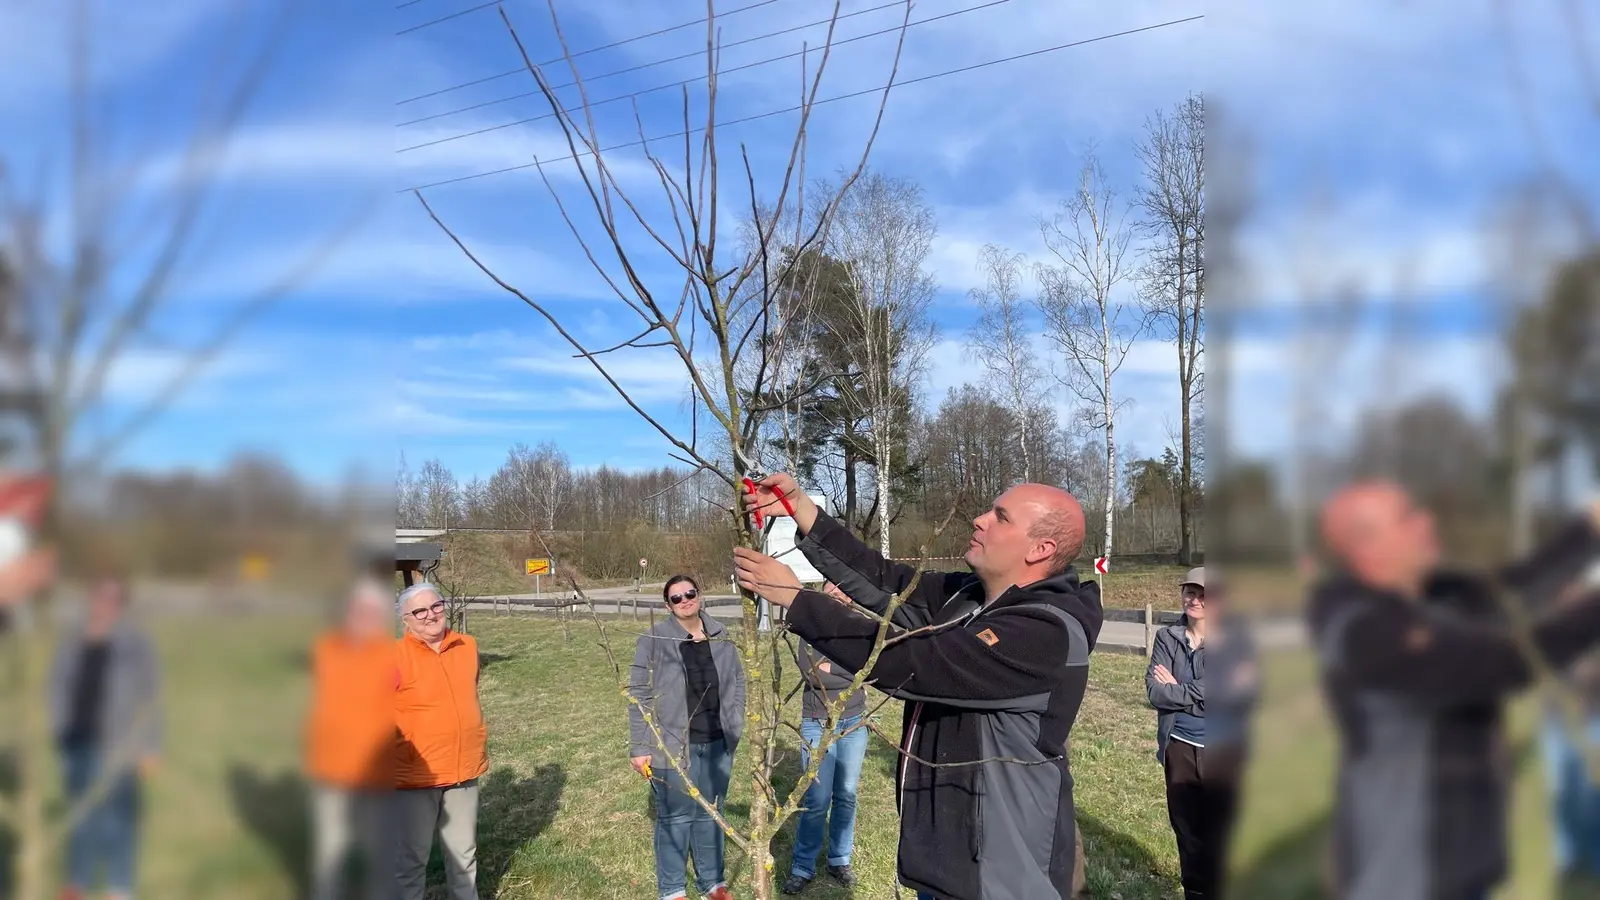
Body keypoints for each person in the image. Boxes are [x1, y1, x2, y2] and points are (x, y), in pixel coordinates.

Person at [734, 472, 1104, 900]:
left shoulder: (1046, 632)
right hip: (952, 856)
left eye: (1000, 517)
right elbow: (884, 580)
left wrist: (797, 600)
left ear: (1041, 550)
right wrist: (803, 511)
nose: (980, 519)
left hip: (1004, 870)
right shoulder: (968, 598)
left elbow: (913, 663)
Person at [1309, 481, 1600, 900]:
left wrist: (1589, 529)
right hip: (1403, 874)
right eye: (1407, 517)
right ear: (1366, 548)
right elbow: (1505, 661)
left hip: (1457, 862)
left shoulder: (1432, 595)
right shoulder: (1365, 631)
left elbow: (1511, 592)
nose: (1427, 521)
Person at [629, 575, 746, 900]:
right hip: (672, 744)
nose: (685, 601)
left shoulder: (721, 635)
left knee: (711, 813)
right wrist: (640, 746)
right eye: (676, 598)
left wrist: (735, 722)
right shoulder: (654, 638)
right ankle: (672, 890)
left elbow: (738, 679)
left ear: (700, 595)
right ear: (668, 605)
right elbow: (638, 692)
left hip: (718, 741)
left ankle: (712, 883)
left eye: (689, 593)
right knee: (675, 818)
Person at [49, 572, 161, 900]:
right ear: (91, 597)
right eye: (102, 595)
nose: (106, 604)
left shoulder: (137, 642)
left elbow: (152, 696)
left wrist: (151, 747)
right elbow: (55, 685)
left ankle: (119, 888)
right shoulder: (71, 639)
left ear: (122, 605)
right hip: (74, 740)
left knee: (119, 819)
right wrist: (58, 727)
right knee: (79, 817)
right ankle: (77, 884)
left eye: (115, 598)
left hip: (119, 743)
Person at [304, 576, 397, 900]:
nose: (366, 617)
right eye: (360, 610)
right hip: (332, 774)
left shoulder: (391, 655)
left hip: (378, 777)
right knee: (330, 855)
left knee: (380, 858)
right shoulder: (327, 649)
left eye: (374, 611)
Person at [393, 582, 486, 900]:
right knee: (410, 861)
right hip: (416, 776)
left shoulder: (467, 646)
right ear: (405, 619)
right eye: (419, 610)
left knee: (464, 856)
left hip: (463, 768)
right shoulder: (392, 657)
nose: (430, 615)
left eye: (436, 606)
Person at [782, 581, 870, 896]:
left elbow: (871, 671)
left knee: (846, 794)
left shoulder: (862, 627)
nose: (837, 593)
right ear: (822, 591)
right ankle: (802, 867)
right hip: (817, 723)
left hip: (854, 722)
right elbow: (812, 673)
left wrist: (839, 669)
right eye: (831, 588)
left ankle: (839, 859)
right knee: (817, 799)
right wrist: (850, 671)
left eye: (843, 588)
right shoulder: (811, 628)